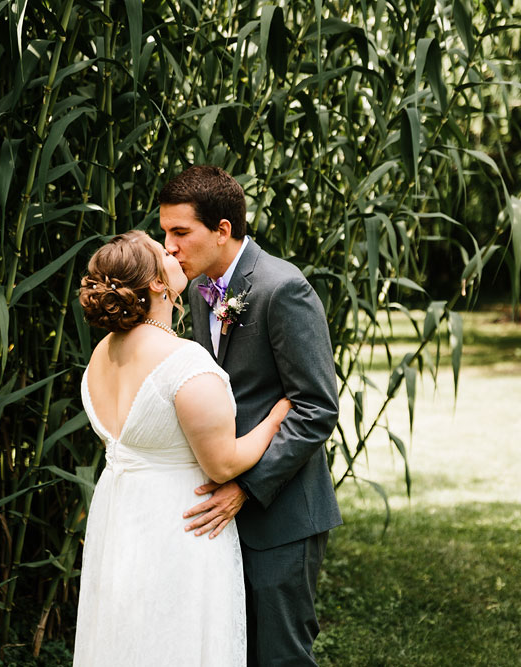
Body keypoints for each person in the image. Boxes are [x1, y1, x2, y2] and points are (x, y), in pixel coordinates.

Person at [73, 230, 291, 666]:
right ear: (157, 283)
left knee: (127, 637)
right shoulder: (185, 363)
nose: (171, 249)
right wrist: (274, 418)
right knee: (176, 638)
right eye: (162, 250)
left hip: (120, 518)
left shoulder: (102, 354)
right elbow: (224, 462)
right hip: (180, 525)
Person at [159, 165, 342, 666]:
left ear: (222, 230)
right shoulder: (200, 292)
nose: (169, 247)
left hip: (280, 512)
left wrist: (245, 487)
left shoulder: (283, 289)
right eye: (165, 234)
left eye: (180, 233)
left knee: (279, 656)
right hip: (220, 514)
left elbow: (317, 407)